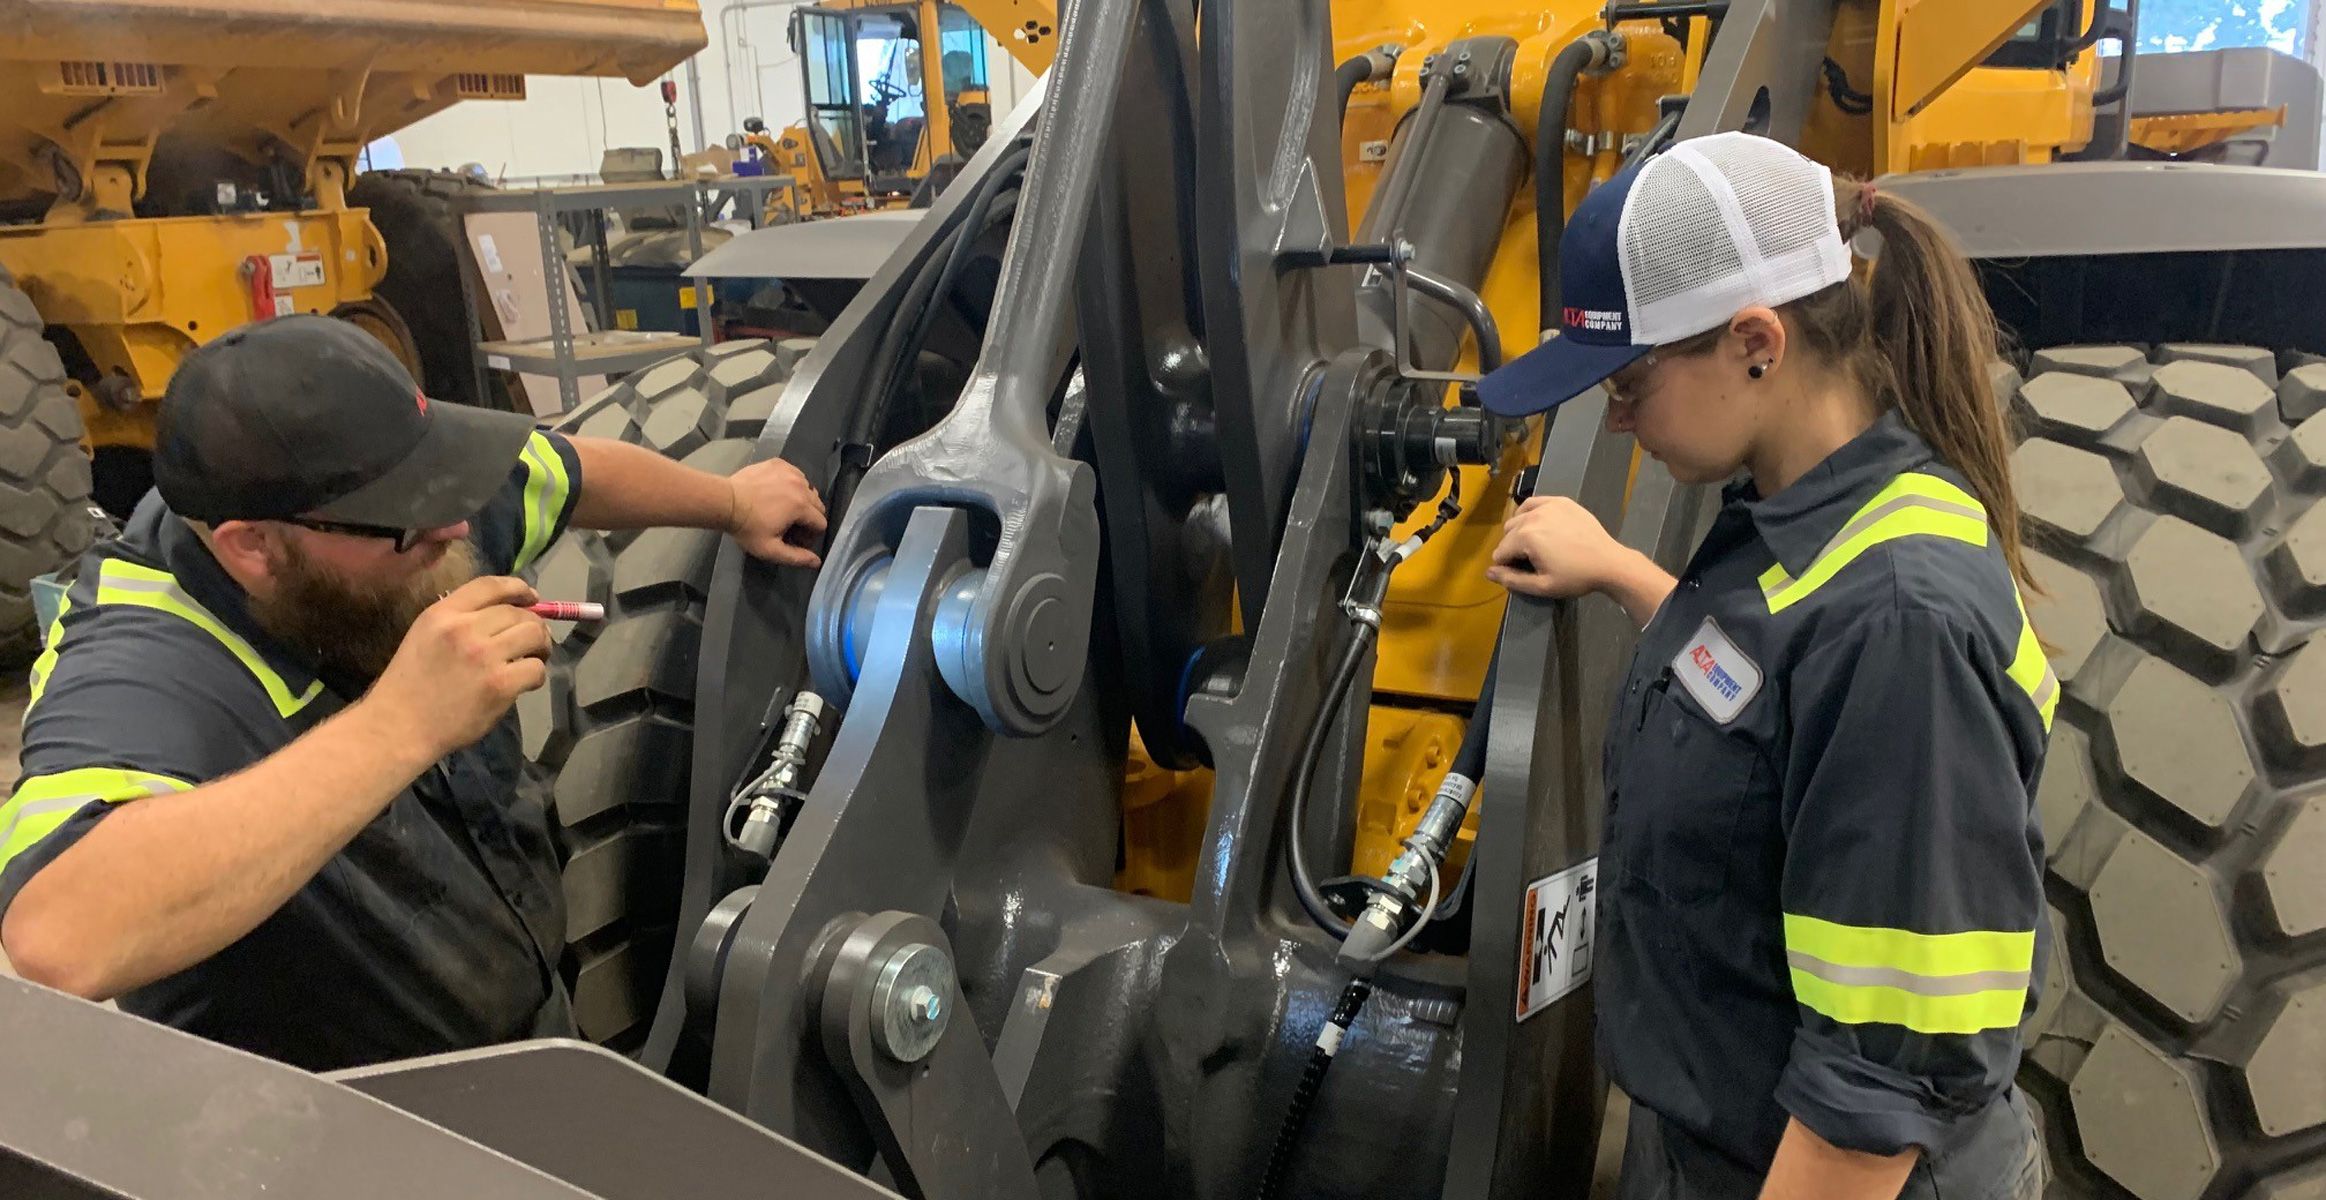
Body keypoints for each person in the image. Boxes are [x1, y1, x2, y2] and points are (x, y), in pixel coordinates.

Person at [0, 315, 827, 1071]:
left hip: (529, 1042)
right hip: (344, 1121)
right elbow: (59, 934)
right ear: (253, 547)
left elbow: (563, 471)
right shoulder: (149, 656)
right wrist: (401, 725)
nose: (457, 533)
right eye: (411, 524)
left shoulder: (414, 517)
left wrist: (728, 500)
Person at [1479, 133, 2050, 1200]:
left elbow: (1874, 1097)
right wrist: (1617, 571)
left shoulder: (1900, 623)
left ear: (1755, 342)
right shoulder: (1800, 526)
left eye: (1629, 382)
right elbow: (1766, 697)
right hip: (1719, 1137)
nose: (1618, 417)